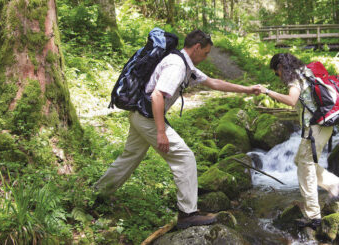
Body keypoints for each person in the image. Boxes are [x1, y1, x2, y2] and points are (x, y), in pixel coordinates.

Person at [93, 29, 261, 229]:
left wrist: (247, 89)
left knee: (130, 156)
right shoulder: (177, 65)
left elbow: (214, 83)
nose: (206, 58)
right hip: (147, 117)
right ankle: (188, 213)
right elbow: (157, 96)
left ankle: (97, 194)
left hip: (140, 115)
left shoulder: (185, 64)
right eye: (206, 53)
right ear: (197, 48)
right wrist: (161, 131)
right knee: (185, 157)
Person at [257, 53, 339, 229]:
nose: (278, 76)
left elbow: (291, 100)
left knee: (305, 170)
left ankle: (314, 216)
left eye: (277, 72)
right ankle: (334, 184)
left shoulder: (295, 79)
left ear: (281, 67)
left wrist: (267, 91)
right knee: (300, 161)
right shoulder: (307, 72)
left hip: (316, 128)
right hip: (324, 125)